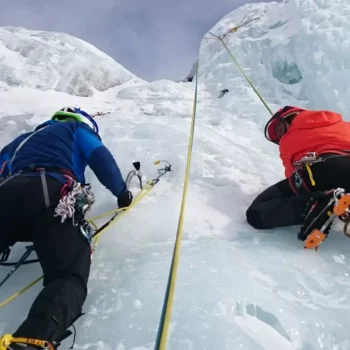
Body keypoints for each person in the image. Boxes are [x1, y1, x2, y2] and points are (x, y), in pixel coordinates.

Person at [0, 107, 133, 350]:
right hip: (50, 193)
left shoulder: (21, 140)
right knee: (68, 275)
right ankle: (33, 339)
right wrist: (122, 194)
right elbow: (101, 159)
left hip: (6, 195)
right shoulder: (76, 129)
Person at [246, 106, 350, 247]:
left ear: (289, 120)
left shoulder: (288, 138)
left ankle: (315, 204)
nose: (281, 136)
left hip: (323, 169)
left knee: (256, 212)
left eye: (280, 129)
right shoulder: (342, 124)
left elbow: (291, 175)